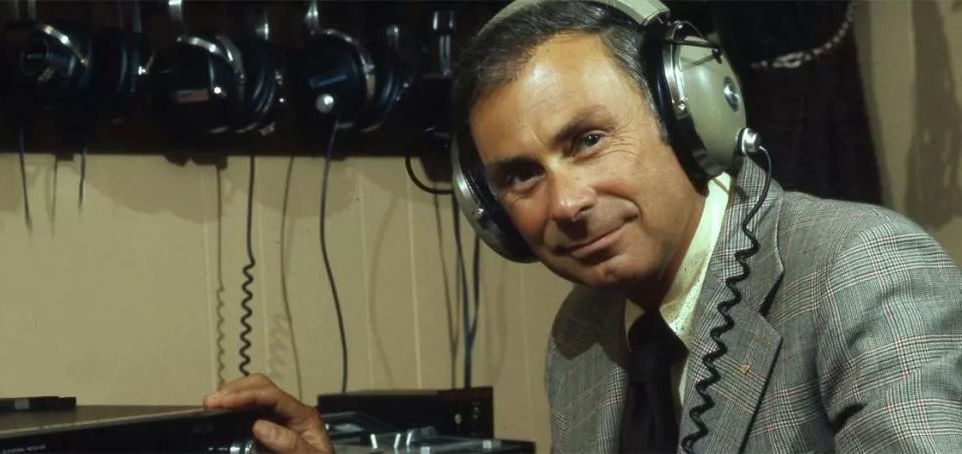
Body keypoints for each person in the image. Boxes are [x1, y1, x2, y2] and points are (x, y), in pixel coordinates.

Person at [204, 0, 962, 452]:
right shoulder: (585, 333)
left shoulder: (863, 270)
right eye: (521, 176)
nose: (564, 204)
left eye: (588, 140)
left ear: (690, 116)